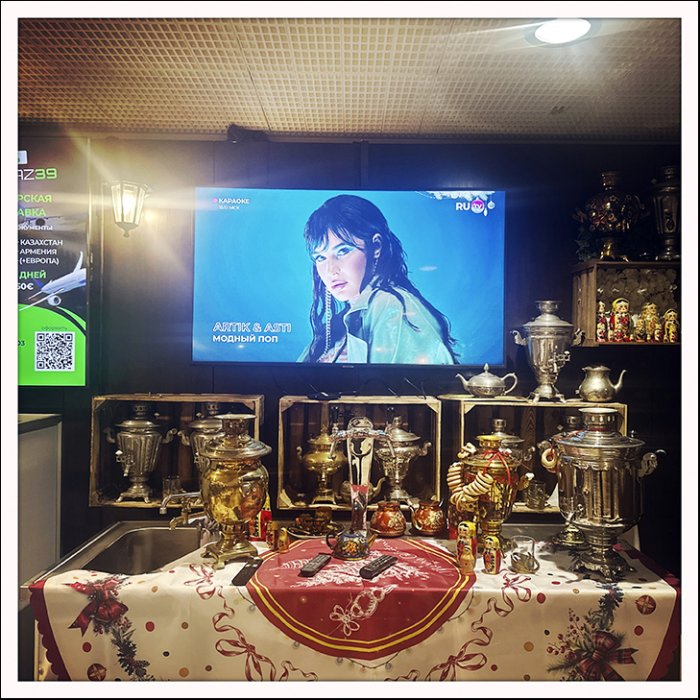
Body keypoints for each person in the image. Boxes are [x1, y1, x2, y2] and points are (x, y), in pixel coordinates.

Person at [299, 194, 458, 364]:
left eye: (343, 251)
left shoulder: (390, 305)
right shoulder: (342, 322)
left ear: (376, 246)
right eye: (321, 258)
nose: (331, 270)